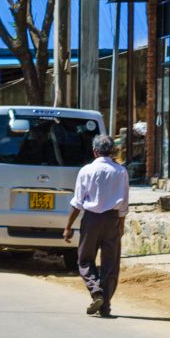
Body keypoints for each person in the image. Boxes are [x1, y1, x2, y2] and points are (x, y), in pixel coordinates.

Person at [63, 134, 130, 317]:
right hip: (112, 220)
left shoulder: (86, 171)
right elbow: (124, 202)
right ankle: (105, 305)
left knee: (85, 259)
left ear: (94, 152)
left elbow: (77, 202)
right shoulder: (121, 171)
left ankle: (96, 292)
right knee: (110, 263)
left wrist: (68, 226)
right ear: (112, 151)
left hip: (91, 219)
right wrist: (121, 224)